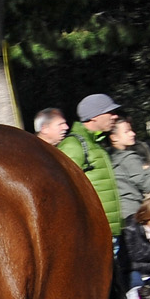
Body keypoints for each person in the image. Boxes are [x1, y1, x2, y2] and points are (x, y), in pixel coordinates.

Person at [58, 94, 122, 249]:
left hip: (109, 232)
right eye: (110, 112)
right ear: (94, 116)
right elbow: (61, 190)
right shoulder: (73, 145)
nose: (115, 116)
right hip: (93, 234)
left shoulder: (96, 143)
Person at [108, 116, 150, 224]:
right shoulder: (129, 158)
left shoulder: (107, 156)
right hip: (131, 212)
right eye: (127, 132)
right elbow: (147, 186)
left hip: (114, 212)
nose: (133, 134)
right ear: (114, 137)